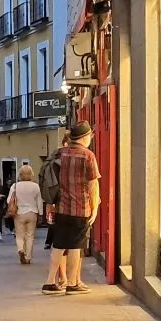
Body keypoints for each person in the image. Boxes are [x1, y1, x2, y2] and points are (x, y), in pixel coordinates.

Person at [44, 121, 101, 295]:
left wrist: (49, 203)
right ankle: (72, 283)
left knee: (58, 245)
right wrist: (94, 208)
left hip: (61, 207)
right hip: (80, 208)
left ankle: (49, 283)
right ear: (84, 138)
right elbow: (93, 185)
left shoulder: (59, 153)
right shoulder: (88, 155)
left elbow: (49, 180)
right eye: (90, 136)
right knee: (76, 246)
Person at [7, 163, 44, 264]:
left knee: (19, 235)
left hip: (19, 213)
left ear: (20, 174)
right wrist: (40, 213)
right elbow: (39, 202)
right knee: (30, 235)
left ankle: (20, 249)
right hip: (32, 213)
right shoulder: (35, 186)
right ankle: (28, 257)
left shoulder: (15, 186)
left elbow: (8, 200)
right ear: (31, 174)